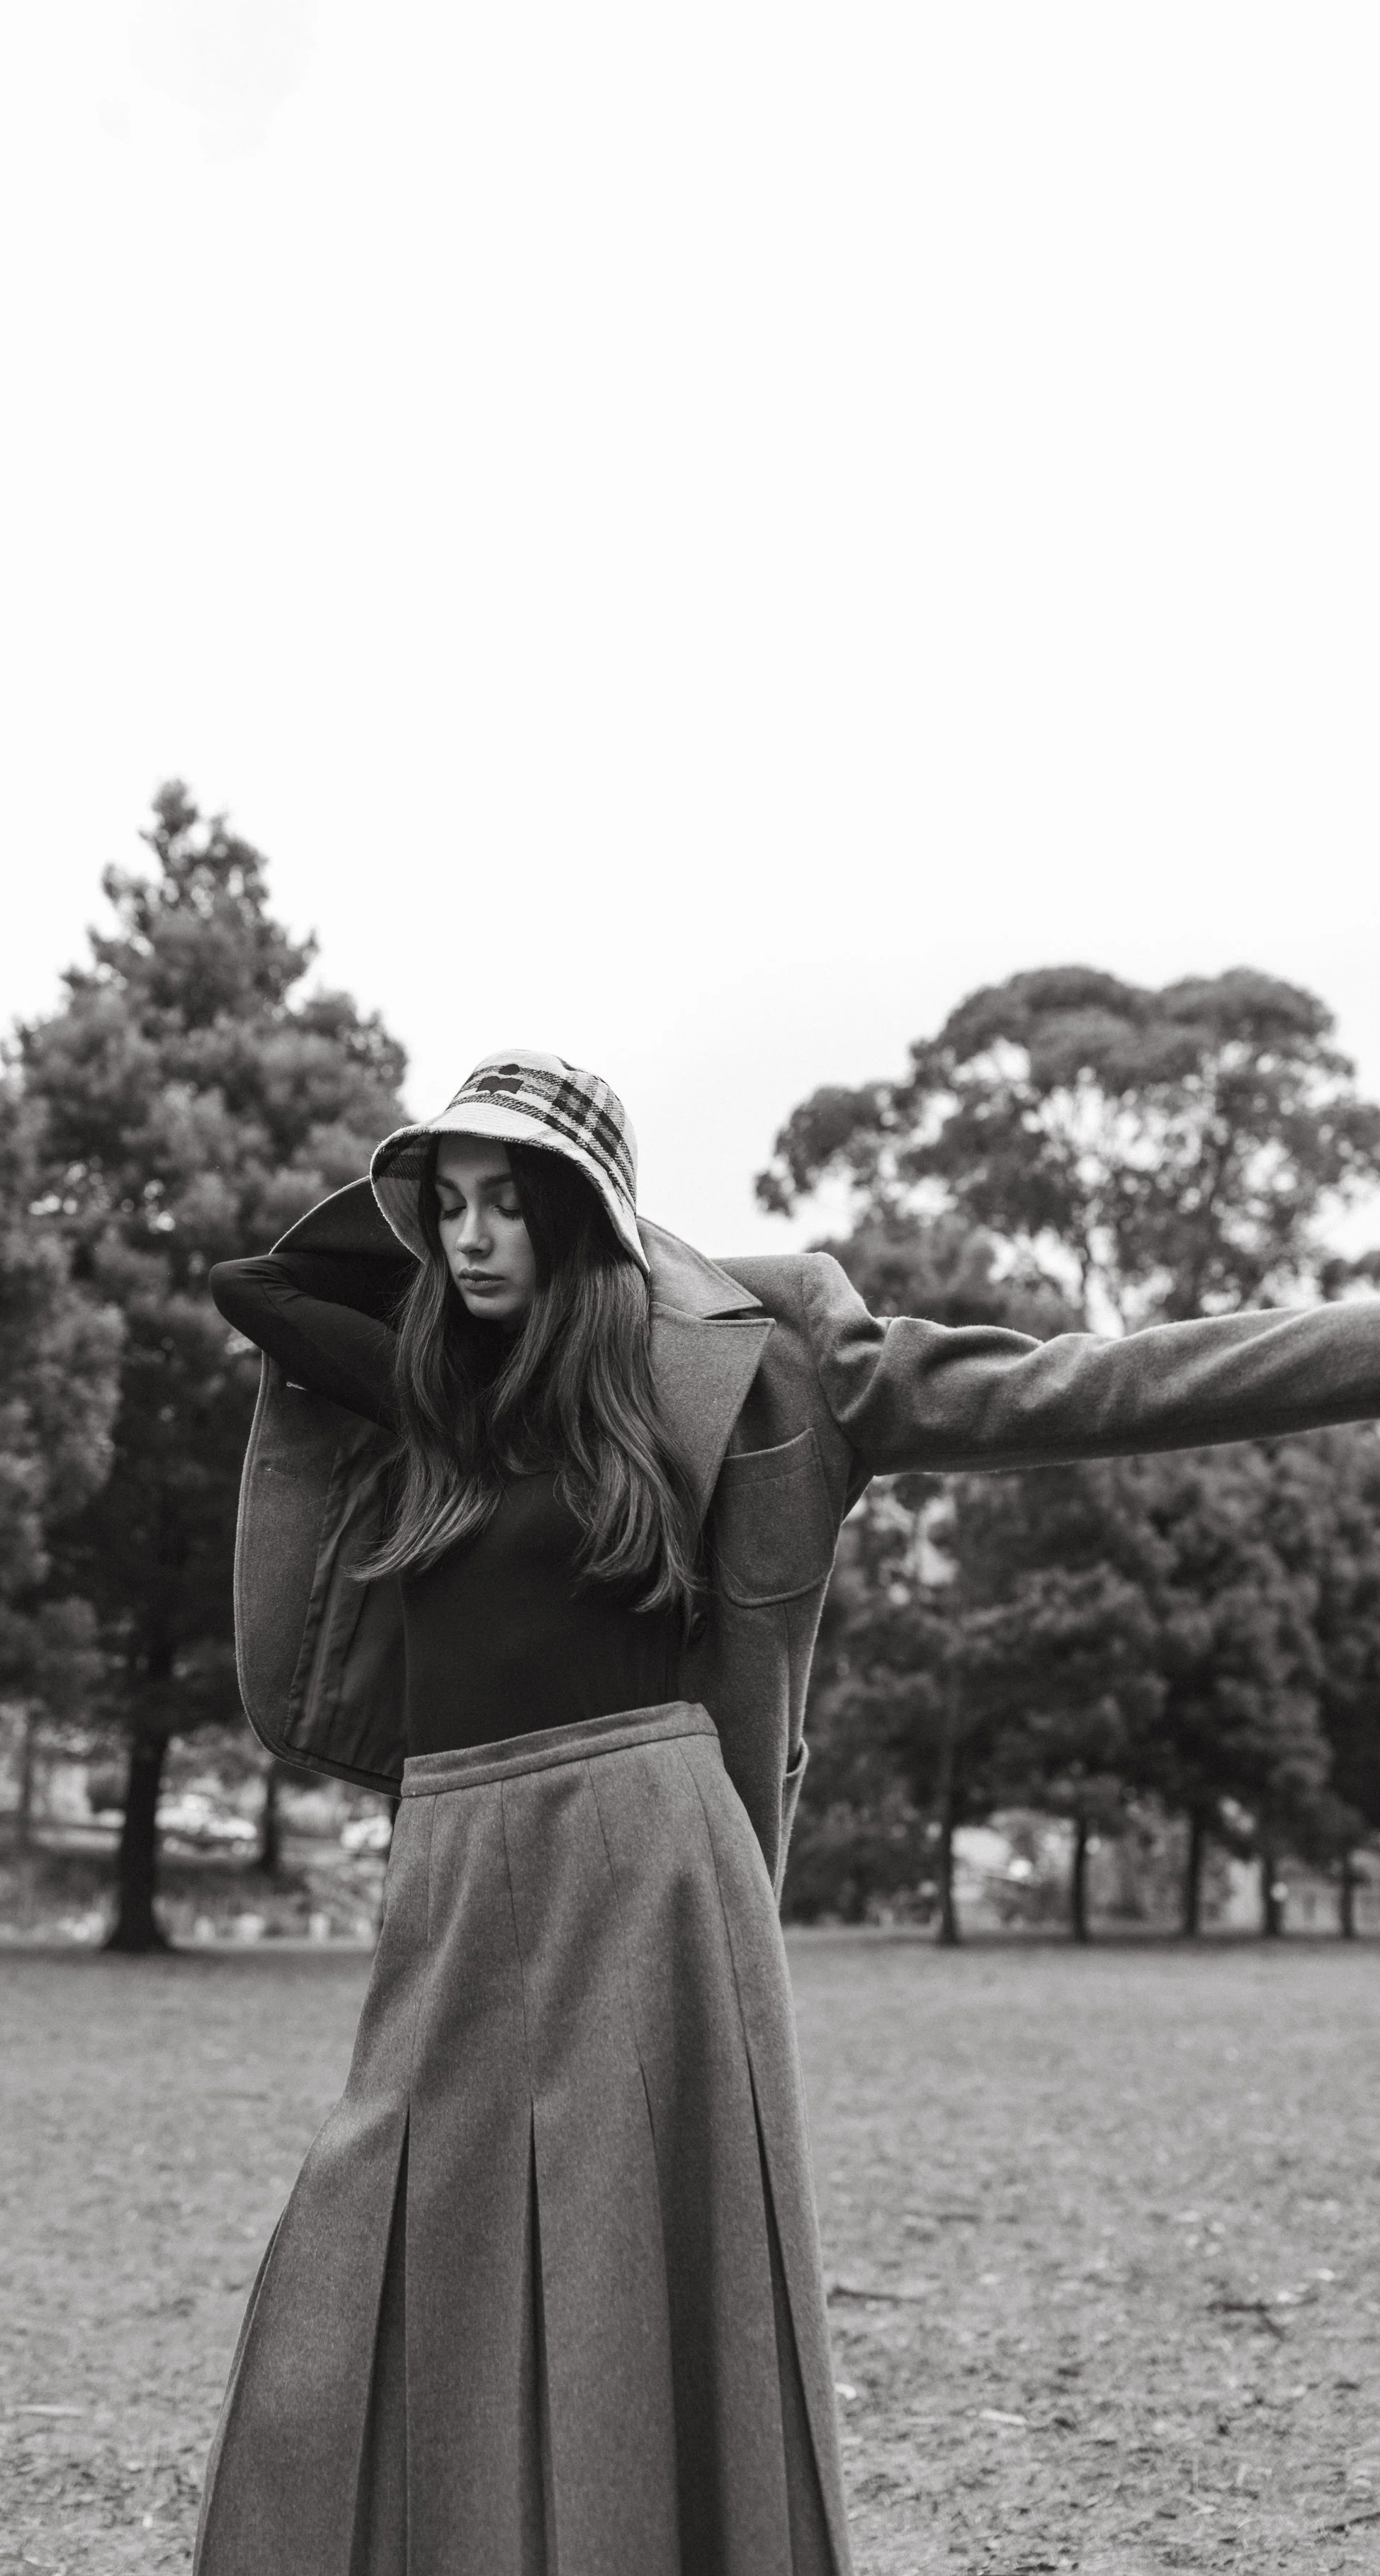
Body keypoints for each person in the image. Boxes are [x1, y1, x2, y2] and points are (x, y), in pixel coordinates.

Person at [193, 1048, 1380, 2576]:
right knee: (374, 2240)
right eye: (450, 1207)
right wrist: (409, 1252)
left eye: (509, 1204)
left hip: (647, 1864)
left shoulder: (766, 1365)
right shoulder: (430, 1394)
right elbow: (265, 1289)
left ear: (584, 1222)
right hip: (457, 1861)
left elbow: (1088, 1383)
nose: (469, 1238)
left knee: (635, 2285)